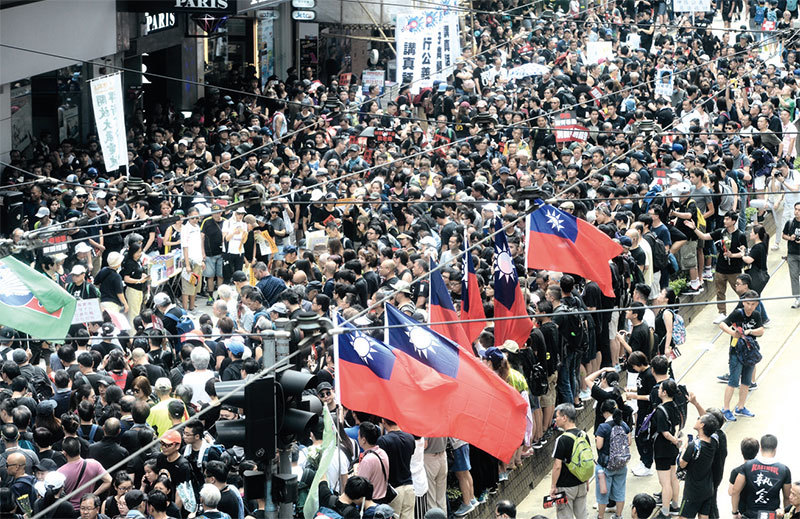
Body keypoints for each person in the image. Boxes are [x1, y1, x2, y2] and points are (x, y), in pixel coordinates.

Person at [718, 290, 763, 421]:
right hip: (736, 351)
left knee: (746, 381)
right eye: (748, 303)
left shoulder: (756, 315)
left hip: (750, 351)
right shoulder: (738, 313)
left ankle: (741, 407)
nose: (750, 306)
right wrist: (733, 333)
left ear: (756, 304)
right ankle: (726, 408)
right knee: (733, 380)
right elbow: (722, 324)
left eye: (753, 304)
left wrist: (750, 331)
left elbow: (761, 331)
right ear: (743, 302)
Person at [730, 434, 792, 519]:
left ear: (760, 448)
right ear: (775, 449)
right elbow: (787, 497)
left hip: (750, 515)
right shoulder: (784, 470)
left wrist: (735, 512)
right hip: (772, 516)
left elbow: (735, 491)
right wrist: (786, 514)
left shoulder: (747, 466)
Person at [550, 403, 589, 519]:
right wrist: (586, 479)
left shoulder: (562, 440)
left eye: (556, 416)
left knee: (565, 516)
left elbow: (557, 466)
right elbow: (586, 460)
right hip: (581, 483)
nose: (555, 420)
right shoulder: (583, 435)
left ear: (564, 418)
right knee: (582, 515)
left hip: (566, 487)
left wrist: (553, 486)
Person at [677, 414, 719, 519]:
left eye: (699, 419)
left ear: (702, 425)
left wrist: (684, 448)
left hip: (692, 492)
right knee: (703, 516)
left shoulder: (693, 445)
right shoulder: (714, 442)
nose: (697, 420)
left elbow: (682, 464)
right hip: (708, 489)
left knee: (683, 517)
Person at [653, 379, 683, 519]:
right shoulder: (676, 406)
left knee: (665, 483)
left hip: (662, 450)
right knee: (673, 478)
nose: (658, 391)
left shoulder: (660, 410)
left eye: (660, 389)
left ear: (664, 393)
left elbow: (665, 433)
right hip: (672, 450)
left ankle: (665, 512)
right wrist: (676, 442)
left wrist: (674, 440)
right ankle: (675, 505)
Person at [57, 437, 112, 511]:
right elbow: (109, 480)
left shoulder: (60, 472)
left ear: (64, 452)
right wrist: (92, 495)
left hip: (70, 510)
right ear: (79, 449)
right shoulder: (93, 464)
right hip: (89, 508)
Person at [783, 202, 800, 308]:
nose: (796, 212)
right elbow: (783, 235)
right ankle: (797, 298)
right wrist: (790, 238)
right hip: (792, 254)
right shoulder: (790, 223)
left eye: (799, 210)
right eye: (795, 209)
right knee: (794, 276)